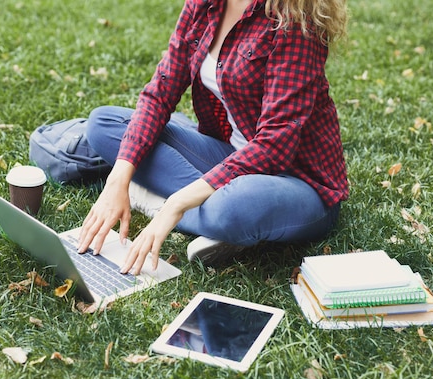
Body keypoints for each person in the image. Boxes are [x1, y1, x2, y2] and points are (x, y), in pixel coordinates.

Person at [77, 0, 349, 274]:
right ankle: (214, 218)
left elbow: (273, 146)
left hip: (299, 182)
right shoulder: (204, 4)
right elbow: (160, 92)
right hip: (230, 155)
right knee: (105, 124)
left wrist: (175, 204)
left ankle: (159, 200)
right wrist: (117, 180)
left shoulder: (294, 20)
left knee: (231, 208)